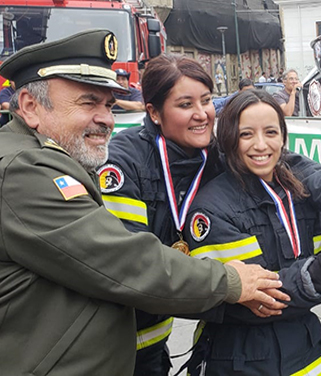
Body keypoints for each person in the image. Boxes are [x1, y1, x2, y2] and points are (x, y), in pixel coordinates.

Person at [0, 29, 284, 375]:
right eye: (88, 102)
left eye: (109, 105)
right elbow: (123, 260)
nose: (106, 118)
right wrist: (230, 282)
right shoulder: (21, 172)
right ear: (29, 106)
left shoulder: (35, 155)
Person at [182, 89, 321, 375]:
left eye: (271, 132)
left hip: (309, 351)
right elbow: (255, 303)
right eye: (246, 134)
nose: (261, 145)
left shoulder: (300, 192)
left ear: (283, 138)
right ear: (227, 138)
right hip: (238, 359)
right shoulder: (211, 207)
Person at [101, 54, 226, 376]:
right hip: (108, 349)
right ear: (154, 113)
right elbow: (129, 262)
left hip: (155, 344)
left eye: (207, 101)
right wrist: (231, 285)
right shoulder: (122, 162)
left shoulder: (215, 155)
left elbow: (282, 162)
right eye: (185, 105)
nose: (202, 115)